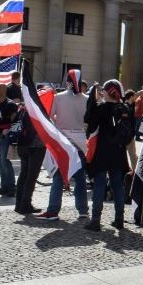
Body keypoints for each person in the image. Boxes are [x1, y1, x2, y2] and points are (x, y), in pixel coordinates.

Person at [36, 69, 89, 221]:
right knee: (80, 177)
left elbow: (50, 117)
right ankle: (83, 210)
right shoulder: (87, 99)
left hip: (63, 138)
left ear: (68, 81)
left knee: (58, 176)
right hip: (80, 138)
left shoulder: (58, 97)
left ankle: (53, 210)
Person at [84, 79, 133, 231]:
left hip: (102, 151)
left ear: (107, 92)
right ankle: (119, 219)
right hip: (118, 151)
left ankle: (95, 220)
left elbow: (89, 122)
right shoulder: (124, 108)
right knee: (117, 186)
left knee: (99, 185)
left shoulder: (102, 108)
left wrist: (94, 99)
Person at [0, 84, 19, 197]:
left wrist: (7, 131)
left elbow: (14, 121)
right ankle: (4, 186)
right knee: (0, 162)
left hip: (6, 137)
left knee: (4, 161)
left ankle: (11, 187)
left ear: (4, 90)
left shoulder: (11, 104)